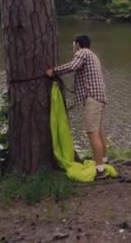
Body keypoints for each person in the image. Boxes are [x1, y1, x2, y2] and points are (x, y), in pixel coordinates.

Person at [46, 35, 109, 179]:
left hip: (92, 98)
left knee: (92, 132)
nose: (73, 47)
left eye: (73, 44)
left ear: (78, 44)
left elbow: (72, 66)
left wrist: (53, 71)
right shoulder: (93, 55)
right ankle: (104, 161)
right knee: (99, 131)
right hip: (99, 98)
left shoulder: (82, 52)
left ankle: (100, 170)